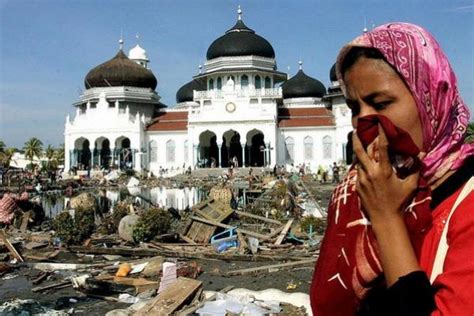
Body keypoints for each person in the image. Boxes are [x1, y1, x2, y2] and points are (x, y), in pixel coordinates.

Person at [310, 23, 474, 316]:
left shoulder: (466, 203)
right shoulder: (366, 192)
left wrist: (386, 219)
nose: (364, 122)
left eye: (381, 103)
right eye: (354, 108)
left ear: (431, 98)